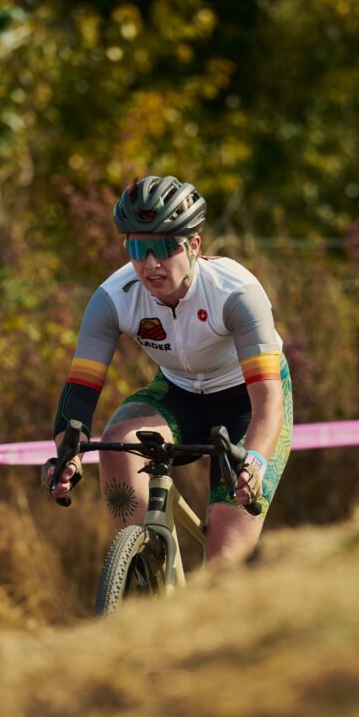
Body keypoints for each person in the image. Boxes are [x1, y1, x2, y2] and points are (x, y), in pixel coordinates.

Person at [42, 174, 293, 562]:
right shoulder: (113, 297)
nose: (151, 264)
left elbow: (267, 400)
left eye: (163, 247)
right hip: (180, 392)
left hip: (246, 403)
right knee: (117, 446)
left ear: (194, 246)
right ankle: (145, 570)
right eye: (138, 249)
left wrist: (255, 462)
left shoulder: (236, 293)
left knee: (224, 564)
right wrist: (66, 456)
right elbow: (80, 389)